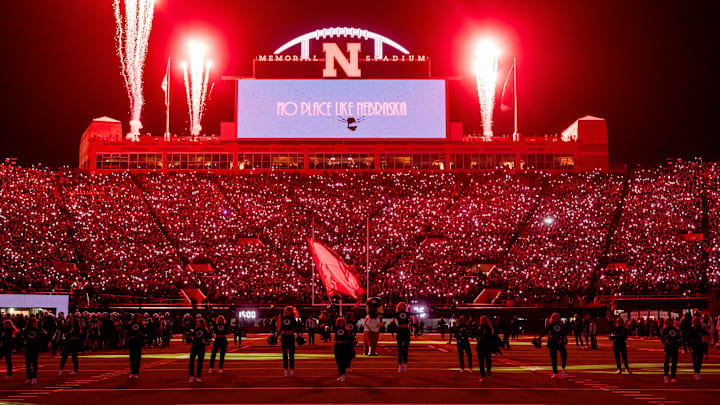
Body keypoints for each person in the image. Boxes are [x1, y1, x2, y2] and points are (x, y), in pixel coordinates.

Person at [538, 313, 568, 379]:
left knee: (564, 354)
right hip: (552, 342)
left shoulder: (562, 326)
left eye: (557, 317)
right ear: (552, 318)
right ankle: (555, 373)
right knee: (553, 358)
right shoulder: (550, 326)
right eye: (554, 317)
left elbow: (564, 334)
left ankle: (563, 369)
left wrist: (564, 339)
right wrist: (539, 338)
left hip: (559, 341)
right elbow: (544, 332)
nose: (556, 318)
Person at [278, 306, 299, 376]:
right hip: (284, 337)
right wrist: (276, 336)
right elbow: (281, 328)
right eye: (285, 311)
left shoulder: (292, 319)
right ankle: (286, 370)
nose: (285, 312)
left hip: (290, 336)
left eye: (287, 311)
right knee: (284, 355)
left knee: (291, 355)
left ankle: (292, 370)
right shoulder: (283, 318)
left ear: (290, 311)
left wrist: (299, 336)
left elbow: (296, 328)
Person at [661, 317, 682, 383]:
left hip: (674, 347)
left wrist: (678, 343)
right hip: (668, 347)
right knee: (667, 361)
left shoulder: (675, 330)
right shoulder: (665, 329)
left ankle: (673, 376)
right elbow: (662, 338)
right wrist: (666, 342)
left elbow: (679, 338)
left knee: (674, 362)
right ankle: (666, 375)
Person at [189, 317, 209, 383]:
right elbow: (191, 338)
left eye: (199, 323)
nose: (198, 324)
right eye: (197, 323)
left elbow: (207, 340)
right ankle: (191, 376)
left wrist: (206, 342)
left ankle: (198, 376)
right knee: (191, 362)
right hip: (194, 347)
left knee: (200, 363)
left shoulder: (205, 331)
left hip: (201, 348)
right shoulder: (194, 330)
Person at [23, 318, 43, 384]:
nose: (34, 323)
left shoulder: (38, 330)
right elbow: (23, 337)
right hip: (28, 347)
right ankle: (29, 377)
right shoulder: (26, 330)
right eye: (33, 322)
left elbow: (42, 337)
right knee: (28, 363)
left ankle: (34, 377)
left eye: (35, 322)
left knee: (34, 363)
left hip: (35, 348)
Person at [126, 313, 145, 379]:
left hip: (138, 343)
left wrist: (141, 341)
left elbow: (143, 334)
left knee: (137, 358)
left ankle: (136, 372)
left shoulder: (141, 326)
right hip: (132, 343)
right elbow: (127, 334)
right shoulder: (130, 325)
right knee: (132, 358)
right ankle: (133, 372)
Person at [475, 316, 494, 382]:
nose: (481, 321)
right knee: (481, 362)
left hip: (487, 346)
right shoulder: (479, 327)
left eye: (482, 320)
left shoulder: (488, 328)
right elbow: (477, 335)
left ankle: (488, 374)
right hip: (480, 346)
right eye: (480, 320)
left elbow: (489, 337)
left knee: (488, 362)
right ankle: (482, 375)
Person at [394, 302, 411, 373]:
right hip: (400, 331)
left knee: (406, 349)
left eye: (403, 306)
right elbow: (388, 315)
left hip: (406, 331)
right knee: (400, 349)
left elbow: (415, 314)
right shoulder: (397, 314)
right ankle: (400, 365)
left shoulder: (407, 314)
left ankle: (405, 364)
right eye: (400, 306)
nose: (402, 307)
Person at [333, 317, 351, 382]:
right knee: (338, 361)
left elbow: (348, 339)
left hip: (343, 346)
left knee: (343, 361)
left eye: (342, 322)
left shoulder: (346, 330)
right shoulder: (335, 329)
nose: (341, 323)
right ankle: (340, 375)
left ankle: (343, 374)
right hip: (337, 345)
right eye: (339, 322)